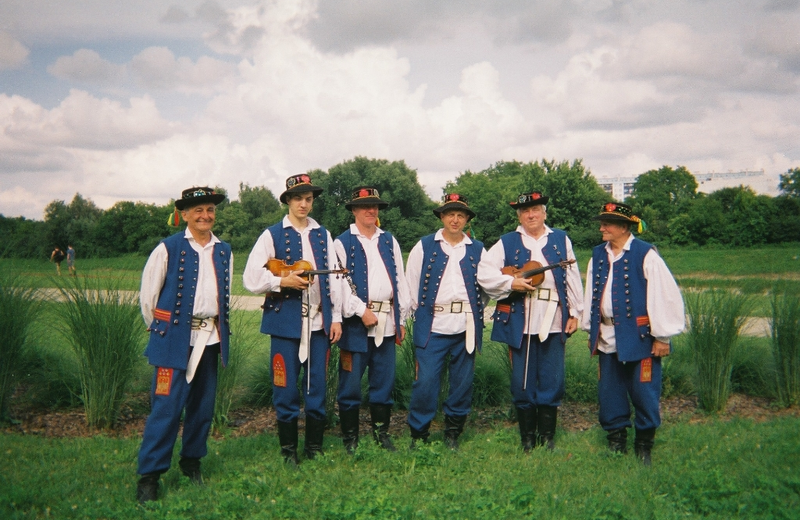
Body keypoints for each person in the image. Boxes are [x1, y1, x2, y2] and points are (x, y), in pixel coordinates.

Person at [136, 186, 232, 503]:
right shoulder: (168, 248)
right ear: (186, 215)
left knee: (202, 408)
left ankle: (192, 463)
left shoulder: (224, 251)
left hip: (210, 340)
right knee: (166, 409)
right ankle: (149, 477)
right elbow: (149, 300)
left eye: (210, 210)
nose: (206, 216)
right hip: (173, 341)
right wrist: (166, 332)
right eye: (199, 210)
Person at [243, 174, 343, 465]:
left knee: (317, 386)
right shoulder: (271, 235)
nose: (303, 204)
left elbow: (334, 280)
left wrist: (335, 317)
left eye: (308, 199)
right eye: (298, 198)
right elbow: (251, 277)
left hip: (317, 325)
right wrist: (282, 282)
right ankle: (289, 452)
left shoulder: (323, 234)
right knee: (285, 387)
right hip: (285, 324)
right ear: (287, 200)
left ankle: (314, 448)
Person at [580, 202, 684, 465]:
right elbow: (591, 294)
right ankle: (616, 441)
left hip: (639, 337)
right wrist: (591, 328)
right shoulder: (597, 255)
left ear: (624, 227)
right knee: (610, 391)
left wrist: (662, 336)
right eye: (601, 222)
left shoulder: (645, 254)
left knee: (643, 390)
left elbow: (663, 295)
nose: (602, 227)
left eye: (608, 223)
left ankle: (644, 444)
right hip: (606, 334)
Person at [477, 191, 583, 451]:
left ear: (544, 212)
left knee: (552, 378)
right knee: (522, 382)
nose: (531, 215)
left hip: (555, 318)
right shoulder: (506, 242)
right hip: (520, 320)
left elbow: (572, 277)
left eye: (536, 209)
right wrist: (510, 282)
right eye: (525, 211)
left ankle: (547, 438)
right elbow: (483, 273)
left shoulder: (560, 239)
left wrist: (576, 312)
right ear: (519, 215)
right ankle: (527, 438)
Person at [405, 193, 488, 450]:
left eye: (460, 215)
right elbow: (411, 285)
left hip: (466, 327)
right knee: (426, 382)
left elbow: (486, 289)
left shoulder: (478, 248)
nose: (455, 219)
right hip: (434, 326)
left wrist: (470, 311)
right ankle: (419, 433)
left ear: (466, 219)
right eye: (450, 214)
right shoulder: (424, 246)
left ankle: (453, 432)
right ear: (442, 216)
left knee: (462, 382)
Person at [333, 186, 411, 453]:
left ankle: (381, 434)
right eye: (365, 206)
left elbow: (400, 279)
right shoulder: (342, 242)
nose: (371, 210)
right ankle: (350, 439)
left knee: (383, 382)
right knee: (351, 383)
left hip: (387, 322)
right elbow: (339, 282)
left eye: (375, 206)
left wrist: (401, 316)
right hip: (356, 324)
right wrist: (359, 310)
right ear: (354, 210)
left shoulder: (389, 240)